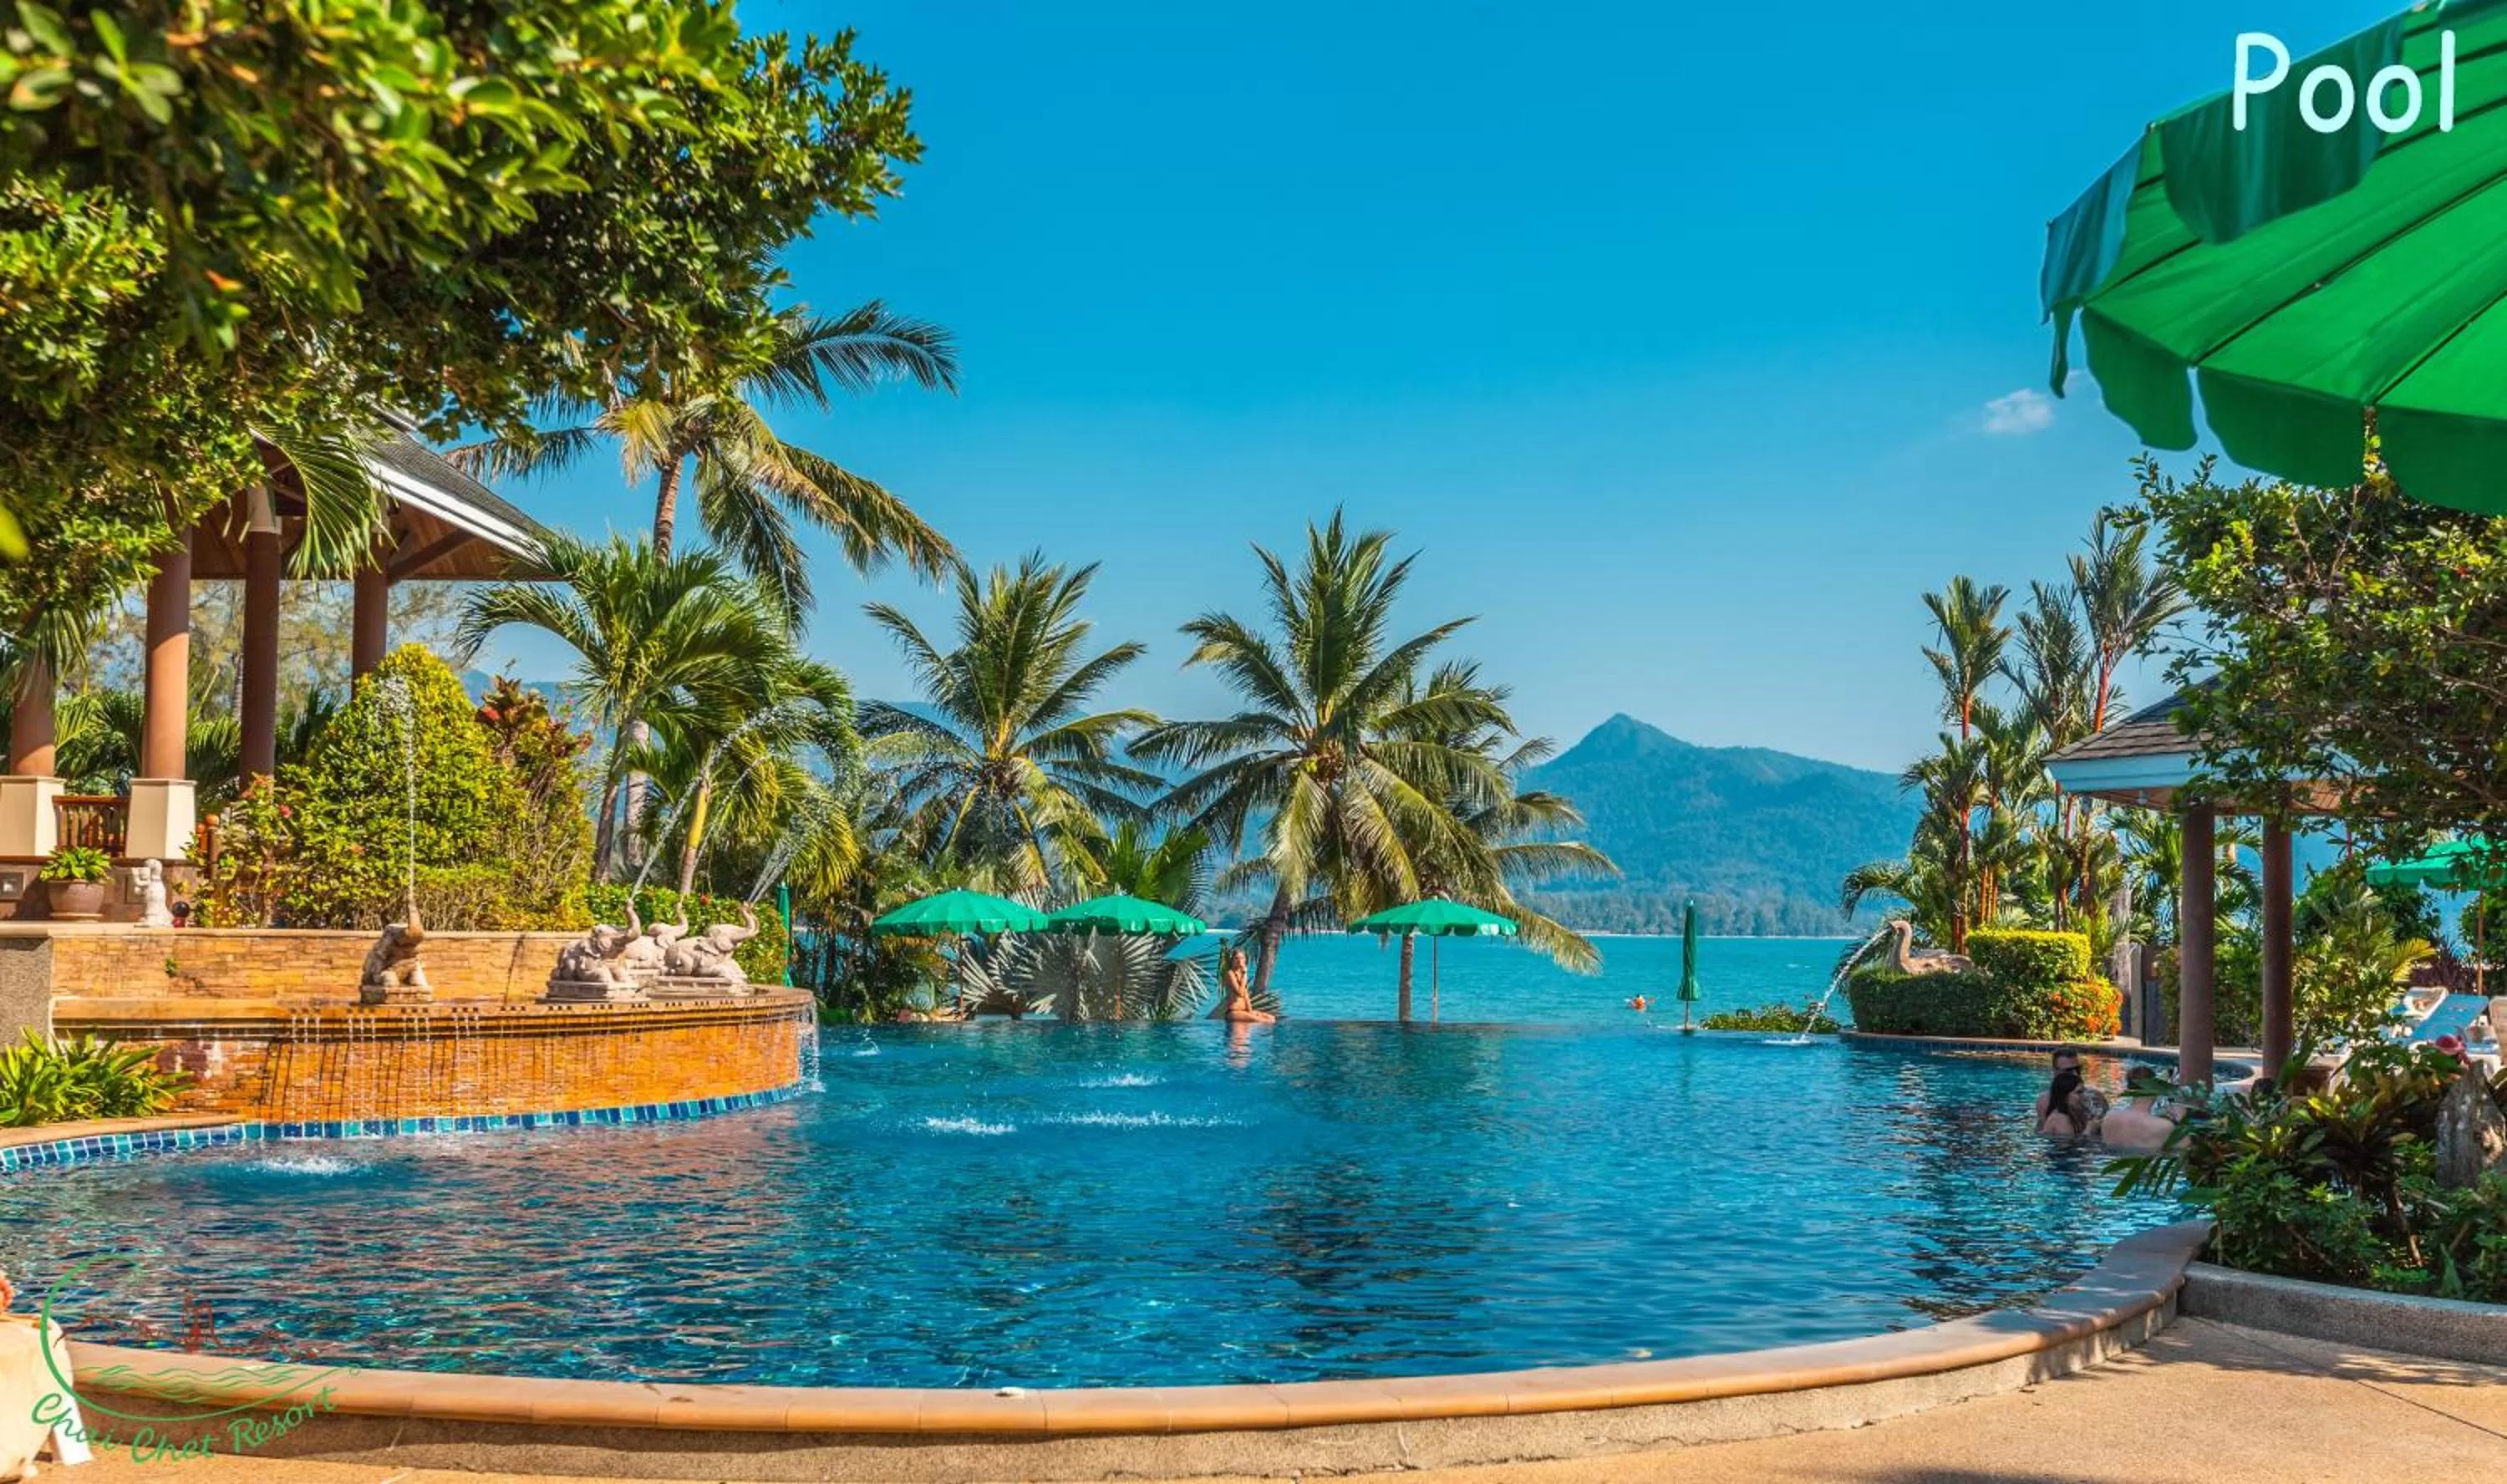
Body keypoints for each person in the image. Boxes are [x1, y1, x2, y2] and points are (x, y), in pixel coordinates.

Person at [2033, 1047, 2108, 1138]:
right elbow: (2046, 1138)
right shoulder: (2045, 1102)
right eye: (2068, 1071)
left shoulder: (2096, 1097)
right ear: (2055, 1071)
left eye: (2078, 1069)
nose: (2075, 1074)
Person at [1218, 948, 1275, 1024]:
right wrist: (1245, 974)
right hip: (1234, 1012)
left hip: (1244, 1011)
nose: (1239, 961)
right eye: (1236, 958)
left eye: (1242, 958)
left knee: (1271, 1018)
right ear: (1232, 960)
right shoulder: (1230, 974)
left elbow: (1245, 995)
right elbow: (1240, 993)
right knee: (1265, 1021)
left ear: (1245, 960)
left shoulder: (1242, 974)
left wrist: (1250, 1011)